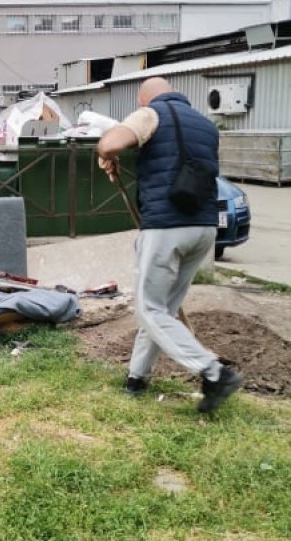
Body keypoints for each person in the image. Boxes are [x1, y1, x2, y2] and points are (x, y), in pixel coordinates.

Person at [96, 77, 242, 413]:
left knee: (149, 310)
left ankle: (214, 372)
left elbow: (109, 144)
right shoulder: (205, 125)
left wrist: (107, 154)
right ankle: (136, 378)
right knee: (162, 309)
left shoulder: (151, 114)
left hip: (166, 227)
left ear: (143, 99)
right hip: (204, 228)